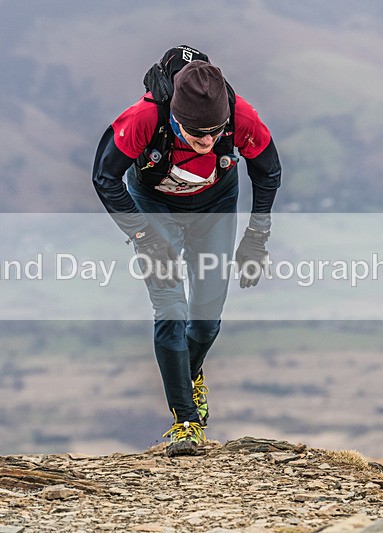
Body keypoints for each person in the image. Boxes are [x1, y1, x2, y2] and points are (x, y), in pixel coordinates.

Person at [92, 45, 281, 457]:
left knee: (206, 320)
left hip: (215, 206)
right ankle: (186, 422)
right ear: (177, 118)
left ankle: (190, 375)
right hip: (154, 206)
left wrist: (256, 237)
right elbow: (104, 177)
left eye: (216, 132)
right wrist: (144, 236)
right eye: (198, 134)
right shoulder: (144, 118)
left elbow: (269, 171)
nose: (208, 142)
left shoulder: (242, 116)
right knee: (171, 308)